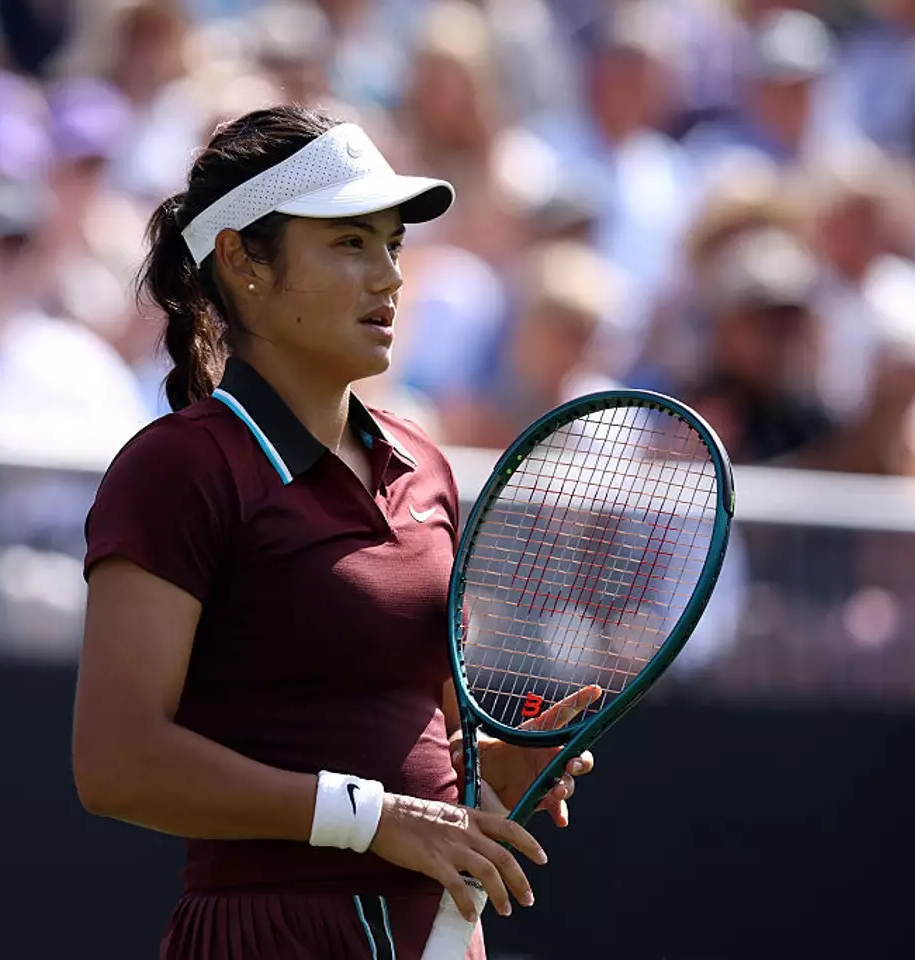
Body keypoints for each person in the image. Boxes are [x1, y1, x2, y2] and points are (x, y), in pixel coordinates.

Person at [73, 106, 595, 959]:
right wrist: (372, 818)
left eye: (392, 245)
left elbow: (407, 726)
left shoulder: (424, 465)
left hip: (435, 930)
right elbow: (117, 763)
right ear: (242, 259)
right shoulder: (179, 468)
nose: (388, 277)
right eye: (349, 244)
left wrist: (476, 776)